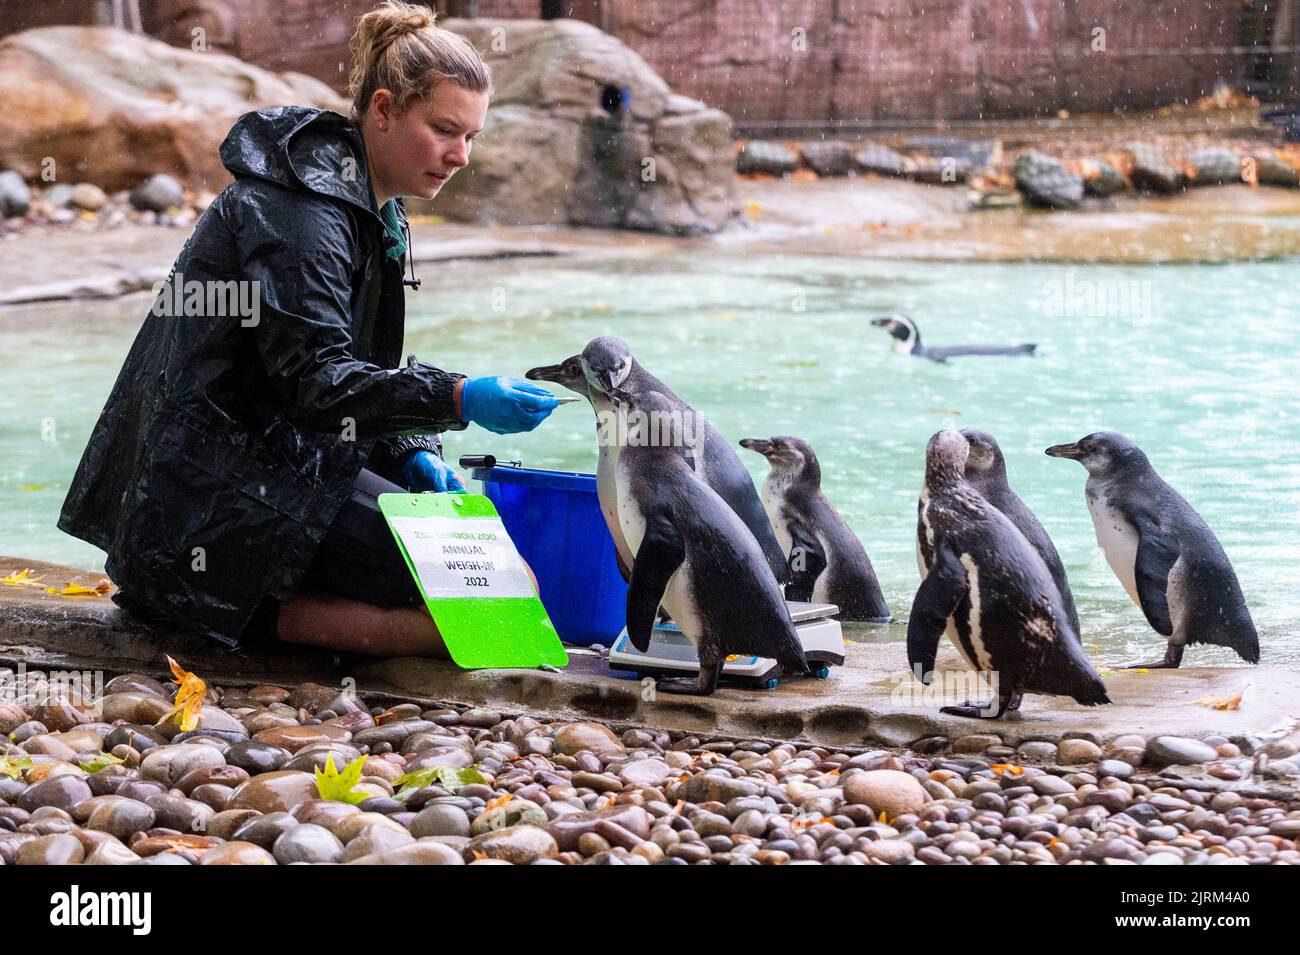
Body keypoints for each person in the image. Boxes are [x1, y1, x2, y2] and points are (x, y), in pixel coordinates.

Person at [57, 1, 557, 657]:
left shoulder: (374, 204)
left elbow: (352, 369)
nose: (460, 155)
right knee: (494, 611)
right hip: (218, 490)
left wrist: (412, 448)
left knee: (504, 585)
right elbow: (316, 383)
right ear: (382, 111)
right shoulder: (301, 212)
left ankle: (264, 603)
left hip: (293, 457)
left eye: (472, 136)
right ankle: (252, 613)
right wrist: (460, 396)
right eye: (444, 130)